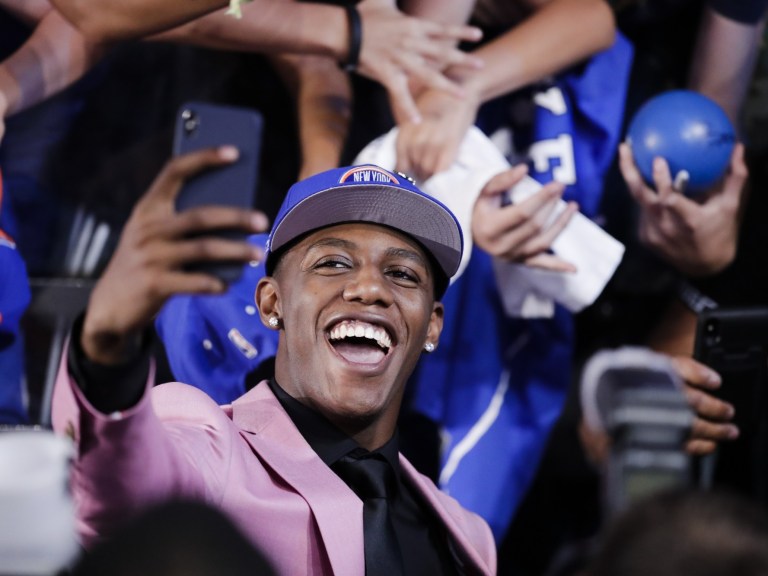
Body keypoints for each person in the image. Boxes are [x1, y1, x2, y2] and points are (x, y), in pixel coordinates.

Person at [51, 150, 496, 575]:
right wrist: (106, 350)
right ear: (270, 303)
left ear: (432, 326)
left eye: (401, 274)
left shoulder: (467, 538)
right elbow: (122, 499)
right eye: (334, 263)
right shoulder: (210, 451)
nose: (370, 288)